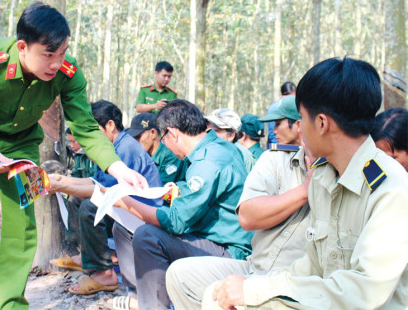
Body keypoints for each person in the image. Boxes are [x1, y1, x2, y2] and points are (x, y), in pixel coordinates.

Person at [0, 3, 147, 309]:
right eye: (48, 54)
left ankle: (11, 303)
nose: (56, 63)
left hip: (22, 145)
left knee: (22, 223)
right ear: (22, 47)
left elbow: (86, 128)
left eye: (61, 52)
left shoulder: (68, 72)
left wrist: (117, 168)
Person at [174, 58, 408, 309]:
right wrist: (256, 287)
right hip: (320, 298)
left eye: (302, 119)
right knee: (216, 295)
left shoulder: (390, 189)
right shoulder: (323, 177)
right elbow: (312, 266)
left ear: (321, 123)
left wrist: (255, 292)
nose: (300, 129)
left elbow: (363, 291)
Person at [166, 95, 315, 309]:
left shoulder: (337, 168)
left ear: (300, 125)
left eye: (278, 123)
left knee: (216, 297)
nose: (273, 130)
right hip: (256, 265)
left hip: (288, 277)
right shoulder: (273, 160)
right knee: (180, 274)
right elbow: (247, 216)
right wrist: (302, 192)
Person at [110, 99, 253, 310]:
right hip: (212, 234)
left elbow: (176, 221)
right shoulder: (215, 145)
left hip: (229, 249)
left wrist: (125, 203)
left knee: (146, 236)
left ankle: (154, 306)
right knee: (123, 228)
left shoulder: (207, 162)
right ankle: (144, 298)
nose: (164, 145)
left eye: (164, 138)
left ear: (173, 133)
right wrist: (175, 191)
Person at [49, 100, 163, 295]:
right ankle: (86, 257)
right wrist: (63, 181)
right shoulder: (113, 146)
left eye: (93, 132)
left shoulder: (125, 148)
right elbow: (97, 182)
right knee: (77, 199)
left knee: (90, 207)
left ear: (110, 125)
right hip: (125, 206)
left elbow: (102, 192)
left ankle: (105, 272)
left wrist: (63, 186)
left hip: (142, 213)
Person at [126, 113, 187, 184]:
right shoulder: (139, 156)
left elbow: (159, 187)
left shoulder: (171, 156)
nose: (135, 142)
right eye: (133, 137)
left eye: (138, 137)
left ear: (153, 133)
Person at [205, 108, 255, 173]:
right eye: (208, 130)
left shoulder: (244, 157)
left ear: (231, 135)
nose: (210, 133)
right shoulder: (207, 151)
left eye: (216, 131)